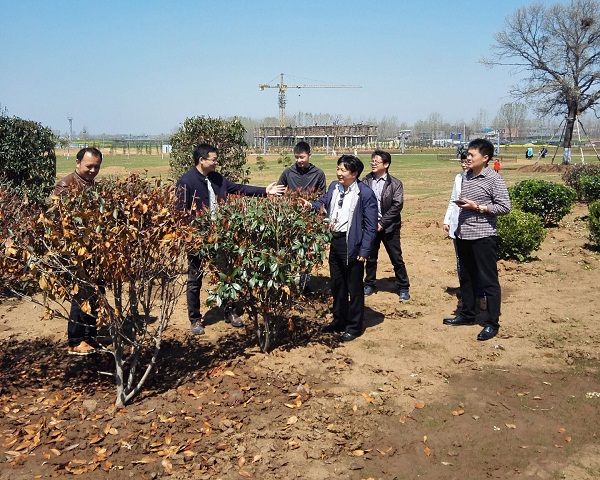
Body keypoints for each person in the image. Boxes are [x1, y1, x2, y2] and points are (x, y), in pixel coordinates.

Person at [176, 143, 285, 336]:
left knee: (226, 275)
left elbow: (238, 188)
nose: (216, 162)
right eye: (213, 159)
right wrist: (189, 236)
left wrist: (264, 192)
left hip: (220, 236)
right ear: (201, 160)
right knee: (195, 279)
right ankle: (195, 319)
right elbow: (180, 213)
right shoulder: (186, 182)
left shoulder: (217, 178)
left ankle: (229, 311)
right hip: (197, 238)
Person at [304, 155, 377, 342]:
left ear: (355, 173)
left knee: (354, 286)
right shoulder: (334, 187)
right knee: (337, 285)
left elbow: (370, 226)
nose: (339, 173)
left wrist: (364, 250)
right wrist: (310, 206)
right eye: (338, 169)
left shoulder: (364, 193)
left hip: (352, 243)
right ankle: (339, 320)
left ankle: (354, 326)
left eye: (343, 170)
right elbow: (323, 202)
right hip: (335, 241)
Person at [442, 139, 511, 341]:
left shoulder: (494, 179)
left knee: (488, 281)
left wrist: (479, 207)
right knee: (466, 278)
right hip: (463, 234)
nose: (468, 158)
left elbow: (504, 207)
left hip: (483, 236)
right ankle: (468, 314)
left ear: (485, 158)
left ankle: (491, 323)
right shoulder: (466, 176)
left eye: (472, 155)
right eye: (468, 154)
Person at [52, 147, 104, 355]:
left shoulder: (91, 184)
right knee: (80, 293)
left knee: (96, 292)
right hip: (77, 251)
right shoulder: (66, 185)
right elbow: (61, 221)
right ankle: (75, 340)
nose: (93, 170)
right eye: (89, 166)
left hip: (93, 249)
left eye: (96, 167)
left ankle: (90, 336)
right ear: (77, 163)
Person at [362, 150, 411, 302]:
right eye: (372, 161)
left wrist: (382, 223)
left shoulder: (395, 184)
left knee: (396, 258)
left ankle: (403, 287)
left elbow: (397, 206)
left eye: (376, 161)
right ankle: (369, 283)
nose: (373, 164)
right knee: (370, 257)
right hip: (370, 227)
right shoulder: (365, 181)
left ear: (386, 164)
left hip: (390, 228)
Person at [278, 141, 326, 294]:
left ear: (309, 155)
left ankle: (305, 284)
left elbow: (322, 197)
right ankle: (288, 282)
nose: (299, 160)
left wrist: (315, 212)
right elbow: (279, 191)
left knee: (307, 251)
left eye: (302, 157)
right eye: (297, 157)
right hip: (290, 218)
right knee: (289, 250)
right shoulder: (288, 172)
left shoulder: (318, 174)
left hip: (309, 219)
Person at [443, 152, 486, 311]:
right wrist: (447, 220)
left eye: (467, 161)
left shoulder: (482, 179)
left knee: (478, 263)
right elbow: (453, 200)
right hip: (458, 227)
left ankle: (481, 295)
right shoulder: (458, 178)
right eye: (462, 161)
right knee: (462, 263)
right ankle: (467, 296)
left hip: (475, 227)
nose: (464, 164)